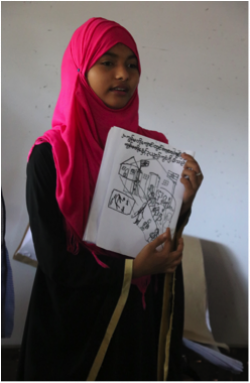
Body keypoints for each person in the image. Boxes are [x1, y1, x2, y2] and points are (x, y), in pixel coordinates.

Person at [16, 17, 203, 382]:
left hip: (133, 318)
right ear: (80, 69)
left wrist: (181, 201)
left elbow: (155, 232)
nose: (123, 74)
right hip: (71, 324)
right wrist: (134, 270)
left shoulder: (153, 151)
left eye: (132, 65)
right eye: (108, 62)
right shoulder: (50, 156)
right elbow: (55, 261)